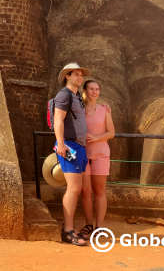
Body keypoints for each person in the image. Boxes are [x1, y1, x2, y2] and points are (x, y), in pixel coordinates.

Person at [53, 62, 90, 247]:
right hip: (68, 146)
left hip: (80, 147)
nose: (79, 77)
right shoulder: (64, 95)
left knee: (78, 189)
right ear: (67, 76)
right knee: (74, 188)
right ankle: (68, 230)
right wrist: (60, 143)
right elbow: (58, 119)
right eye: (75, 74)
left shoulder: (77, 97)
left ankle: (69, 228)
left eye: (81, 75)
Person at [79, 79, 115, 241]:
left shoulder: (105, 109)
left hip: (101, 154)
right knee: (85, 192)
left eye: (97, 89)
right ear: (85, 91)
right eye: (91, 89)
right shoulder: (78, 110)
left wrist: (96, 137)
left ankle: (99, 227)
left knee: (100, 191)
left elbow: (111, 133)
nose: (95, 92)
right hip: (82, 154)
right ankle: (88, 225)